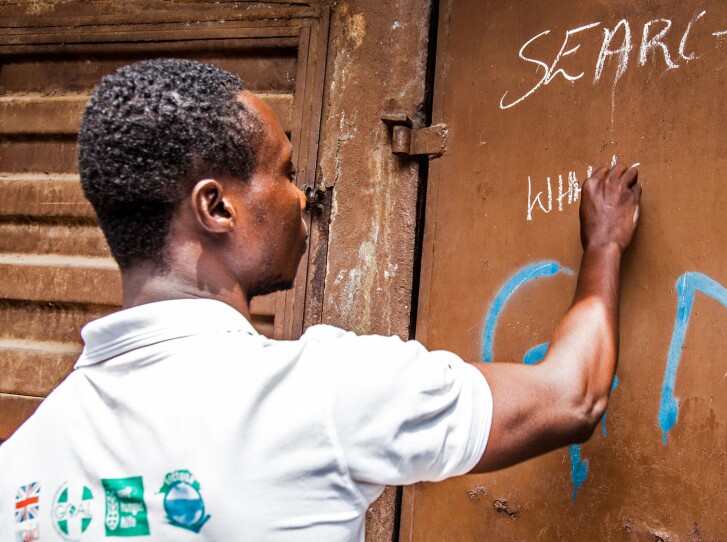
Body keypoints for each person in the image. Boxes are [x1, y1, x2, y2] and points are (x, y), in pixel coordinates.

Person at [0, 59, 641, 541]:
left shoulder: (23, 463)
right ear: (216, 207)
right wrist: (604, 247)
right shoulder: (322, 392)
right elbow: (570, 397)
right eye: (283, 172)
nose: (301, 196)